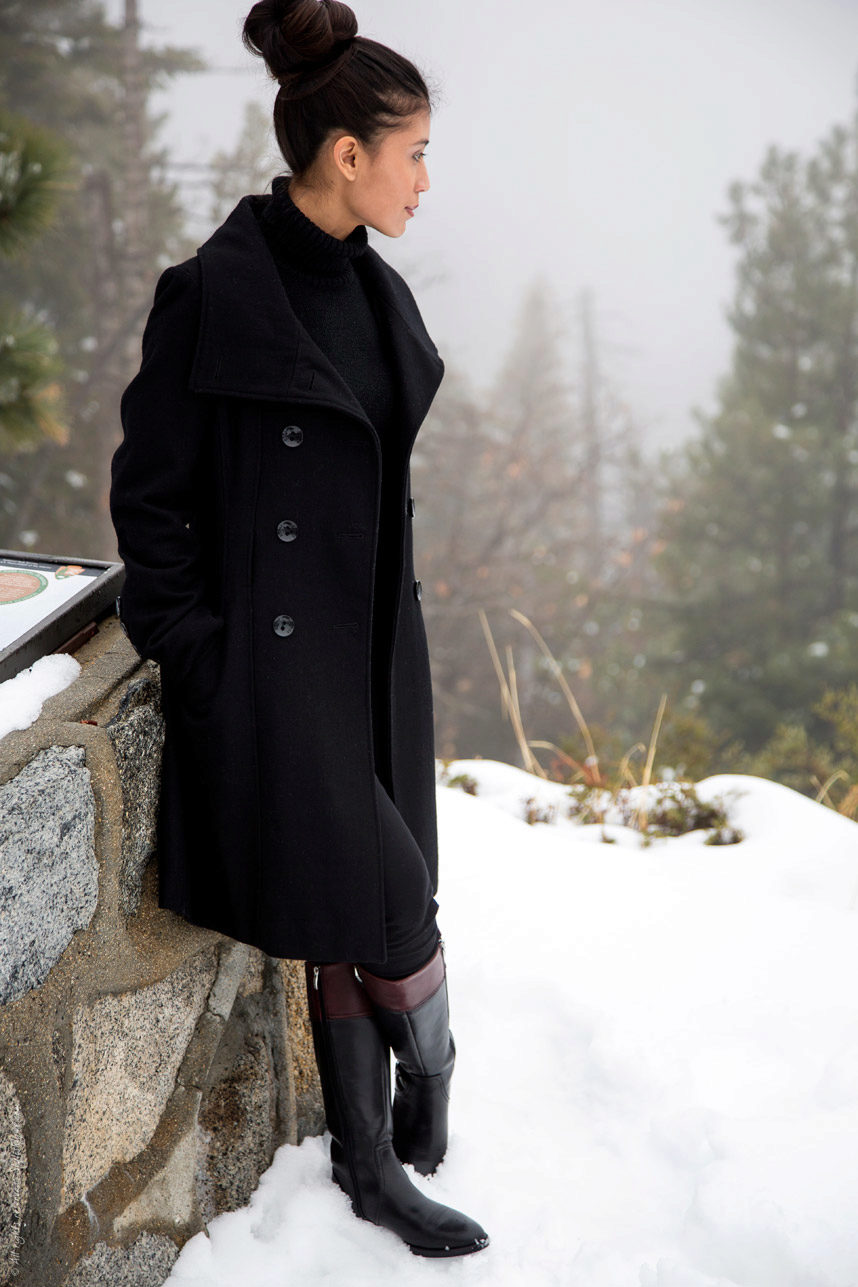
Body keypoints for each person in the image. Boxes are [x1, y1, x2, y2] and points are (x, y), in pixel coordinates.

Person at [109, 0, 489, 1261]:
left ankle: (368, 1163)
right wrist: (203, 653)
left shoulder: (372, 294)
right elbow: (149, 499)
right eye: (414, 154)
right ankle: (432, 1067)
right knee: (393, 897)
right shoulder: (212, 298)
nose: (424, 179)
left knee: (346, 903)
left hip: (372, 652)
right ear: (347, 153)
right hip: (273, 676)